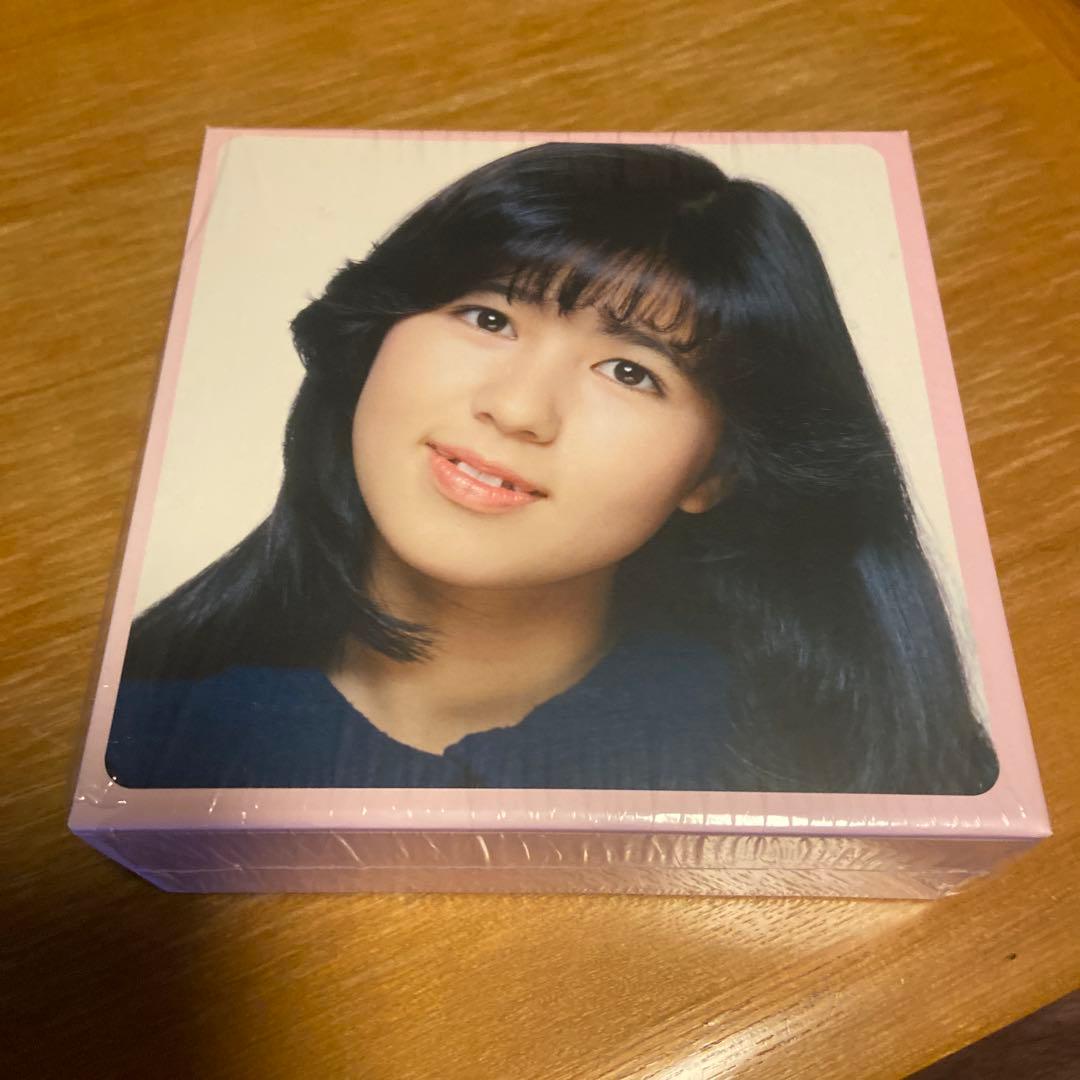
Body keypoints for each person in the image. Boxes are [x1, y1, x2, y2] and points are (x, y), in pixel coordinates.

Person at [106, 141, 1000, 794]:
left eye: (631, 373)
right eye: (489, 318)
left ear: (717, 471)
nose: (519, 410)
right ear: (373, 336)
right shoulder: (145, 725)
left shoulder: (829, 768)